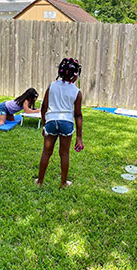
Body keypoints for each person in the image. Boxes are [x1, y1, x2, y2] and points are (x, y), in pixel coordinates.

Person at [36, 58, 83, 188]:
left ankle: (39, 181)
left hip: (51, 121)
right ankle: (63, 183)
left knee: (46, 152)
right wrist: (79, 137)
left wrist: (45, 125)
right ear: (74, 75)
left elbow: (44, 107)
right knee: (64, 154)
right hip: (66, 123)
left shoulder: (51, 86)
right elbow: (78, 115)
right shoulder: (76, 92)